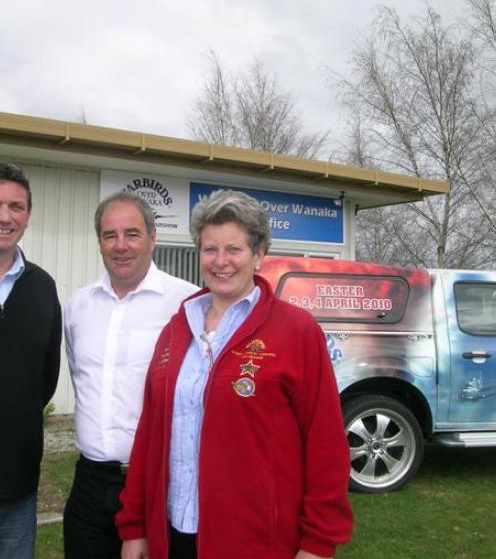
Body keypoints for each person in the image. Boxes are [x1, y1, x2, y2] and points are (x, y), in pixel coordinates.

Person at [117, 189, 353, 559]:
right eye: (210, 249)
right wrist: (135, 527)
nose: (220, 261)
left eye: (234, 250)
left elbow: (325, 444)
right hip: (173, 536)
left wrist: (318, 543)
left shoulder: (295, 331)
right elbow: (149, 435)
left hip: (255, 542)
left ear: (258, 255)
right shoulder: (177, 330)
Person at [63, 191, 198, 559]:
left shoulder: (188, 305)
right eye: (110, 235)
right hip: (90, 483)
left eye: (132, 234)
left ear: (153, 238)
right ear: (99, 242)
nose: (120, 245)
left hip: (159, 484)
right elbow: (78, 375)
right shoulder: (78, 307)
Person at [0, 163, 61, 559]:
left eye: (16, 206)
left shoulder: (42, 287)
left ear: (28, 215)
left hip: (16, 483)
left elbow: (46, 379)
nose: (6, 217)